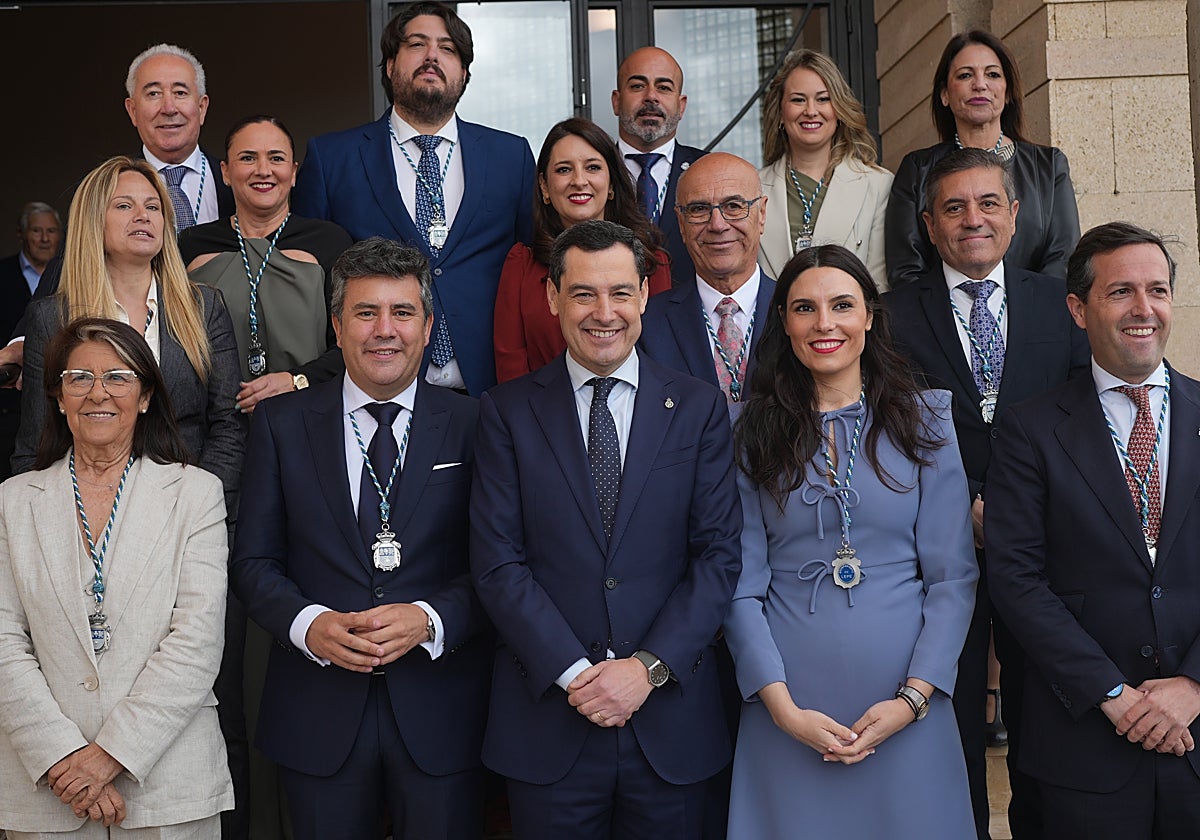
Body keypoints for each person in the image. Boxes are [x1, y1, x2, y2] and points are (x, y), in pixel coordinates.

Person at [471, 220, 741, 839]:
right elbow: (498, 563)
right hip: (550, 722)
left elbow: (718, 557)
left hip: (670, 722)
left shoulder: (698, 407)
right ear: (552, 298)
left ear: (644, 295)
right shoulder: (505, 413)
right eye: (583, 294)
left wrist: (646, 669)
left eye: (620, 292)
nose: (604, 313)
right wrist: (577, 675)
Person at [230, 237, 490, 840]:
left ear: (427, 327)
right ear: (337, 326)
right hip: (317, 710)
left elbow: (499, 564)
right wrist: (309, 625)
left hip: (442, 711)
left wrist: (430, 619)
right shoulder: (281, 424)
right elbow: (254, 561)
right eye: (366, 313)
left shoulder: (476, 422)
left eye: (402, 313)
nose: (384, 330)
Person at [725, 243, 977, 837]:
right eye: (804, 308)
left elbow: (953, 577)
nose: (825, 323)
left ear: (869, 315)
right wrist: (783, 710)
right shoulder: (746, 430)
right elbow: (739, 586)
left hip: (909, 708)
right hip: (788, 712)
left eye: (842, 305)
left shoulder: (926, 419)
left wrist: (913, 699)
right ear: (784, 322)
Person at [883, 147, 1090, 840]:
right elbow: (892, 428)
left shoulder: (1061, 305)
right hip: (940, 554)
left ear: (1015, 213)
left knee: (1048, 724)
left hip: (1047, 553)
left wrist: (1016, 508)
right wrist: (966, 500)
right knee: (951, 719)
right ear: (929, 225)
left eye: (988, 203)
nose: (973, 219)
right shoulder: (891, 316)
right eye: (954, 207)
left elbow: (1080, 418)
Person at [987, 222, 1200, 839]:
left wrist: (1193, 684)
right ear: (1078, 310)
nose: (1143, 309)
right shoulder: (1029, 430)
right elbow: (1016, 579)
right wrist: (1113, 694)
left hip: (1195, 737)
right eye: (1120, 292)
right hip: (1083, 748)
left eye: (1157, 290)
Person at [0, 317, 233, 837]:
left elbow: (196, 641)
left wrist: (110, 756)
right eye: (79, 377)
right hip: (45, 788)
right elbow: (4, 642)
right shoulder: (12, 501)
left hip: (168, 787)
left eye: (118, 377)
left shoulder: (196, 494)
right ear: (58, 397)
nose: (97, 392)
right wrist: (62, 757)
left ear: (145, 396)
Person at [293, 1, 535, 396]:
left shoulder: (511, 156)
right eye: (417, 44)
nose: (432, 56)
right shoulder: (332, 158)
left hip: (490, 390)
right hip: (376, 389)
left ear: (464, 73)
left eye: (447, 48)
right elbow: (311, 284)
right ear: (390, 65)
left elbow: (531, 269)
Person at [180, 114, 354, 410]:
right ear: (225, 172)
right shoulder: (191, 245)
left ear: (293, 172)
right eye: (248, 158)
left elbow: (352, 343)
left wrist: (296, 380)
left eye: (276, 158)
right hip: (215, 420)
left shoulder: (329, 242)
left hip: (308, 413)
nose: (263, 170)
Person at [886, 30, 1080, 288]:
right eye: (965, 75)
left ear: (1008, 92)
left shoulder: (1048, 166)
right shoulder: (918, 168)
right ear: (944, 94)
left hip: (1036, 309)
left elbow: (1063, 258)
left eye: (992, 74)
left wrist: (1022, 306)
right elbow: (906, 269)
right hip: (939, 311)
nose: (980, 84)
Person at [493, 117, 671, 383]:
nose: (579, 180)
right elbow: (511, 368)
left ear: (611, 184)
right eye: (564, 170)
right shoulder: (521, 264)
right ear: (544, 187)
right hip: (539, 408)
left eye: (593, 167)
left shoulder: (651, 263)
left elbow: (660, 363)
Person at [639, 152, 776, 404]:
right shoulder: (646, 324)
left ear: (762, 214)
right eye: (699, 209)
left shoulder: (797, 310)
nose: (717, 225)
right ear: (681, 223)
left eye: (733, 206)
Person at [757, 50, 892, 289]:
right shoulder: (752, 188)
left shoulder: (878, 185)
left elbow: (879, 287)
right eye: (798, 100)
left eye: (823, 99)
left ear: (838, 110)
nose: (811, 111)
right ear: (780, 112)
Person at [612, 46, 706, 286]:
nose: (651, 97)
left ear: (681, 105)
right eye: (637, 86)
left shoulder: (708, 171)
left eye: (663, 87)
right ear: (616, 101)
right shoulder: (591, 174)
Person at [124, 43, 233, 230]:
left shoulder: (235, 184)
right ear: (133, 111)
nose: (169, 108)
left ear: (202, 108)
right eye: (154, 94)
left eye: (180, 93)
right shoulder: (108, 188)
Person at [0, 203, 62, 481]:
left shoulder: (73, 273)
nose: (45, 238)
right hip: (7, 401)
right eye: (37, 231)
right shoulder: (3, 273)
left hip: (54, 406)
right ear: (21, 234)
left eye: (51, 231)